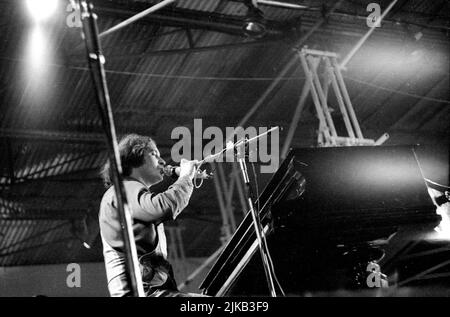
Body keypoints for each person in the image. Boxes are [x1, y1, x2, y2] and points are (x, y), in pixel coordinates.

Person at [99, 134, 205, 297]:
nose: (162, 161)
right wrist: (185, 177)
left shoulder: (129, 193)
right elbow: (164, 206)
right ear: (135, 155)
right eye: (154, 154)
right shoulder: (122, 190)